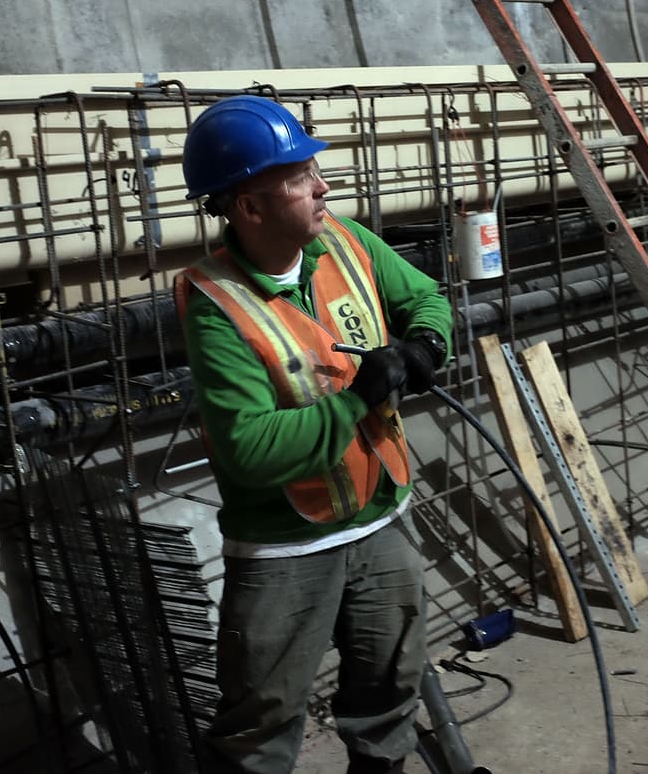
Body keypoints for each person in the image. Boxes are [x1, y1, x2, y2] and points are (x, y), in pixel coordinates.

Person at [174, 94, 453, 773]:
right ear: (250, 207)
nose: (322, 185)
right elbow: (248, 449)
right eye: (299, 177)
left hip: (381, 517)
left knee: (390, 692)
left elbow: (426, 299)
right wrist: (357, 397)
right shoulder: (216, 303)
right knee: (258, 727)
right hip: (284, 546)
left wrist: (423, 346)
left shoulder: (347, 243)